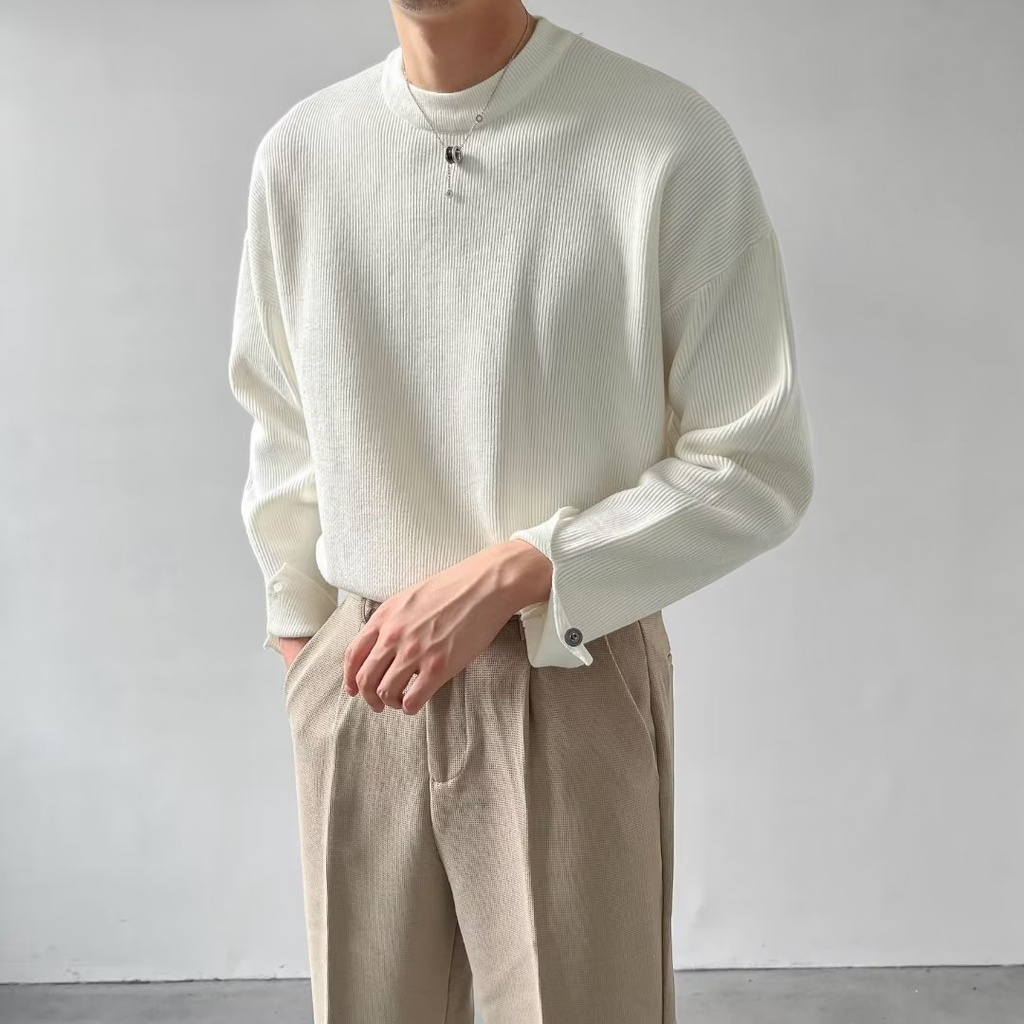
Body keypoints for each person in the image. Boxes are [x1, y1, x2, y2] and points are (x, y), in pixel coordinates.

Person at [226, 2, 815, 1021]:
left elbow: (752, 462)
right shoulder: (303, 155)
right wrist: (303, 643)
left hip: (566, 673)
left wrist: (518, 572)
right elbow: (282, 418)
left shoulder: (662, 143)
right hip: (363, 678)